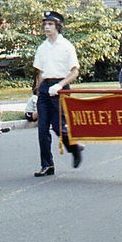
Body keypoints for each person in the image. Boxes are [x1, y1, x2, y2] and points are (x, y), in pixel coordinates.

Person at [32, 10, 84, 177]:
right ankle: (47, 165)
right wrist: (38, 91)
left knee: (58, 127)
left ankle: (74, 148)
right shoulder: (42, 47)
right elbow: (39, 72)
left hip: (61, 86)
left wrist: (61, 85)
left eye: (50, 24)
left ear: (58, 26)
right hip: (45, 88)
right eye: (45, 24)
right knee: (42, 129)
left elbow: (74, 71)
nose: (46, 27)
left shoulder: (66, 46)